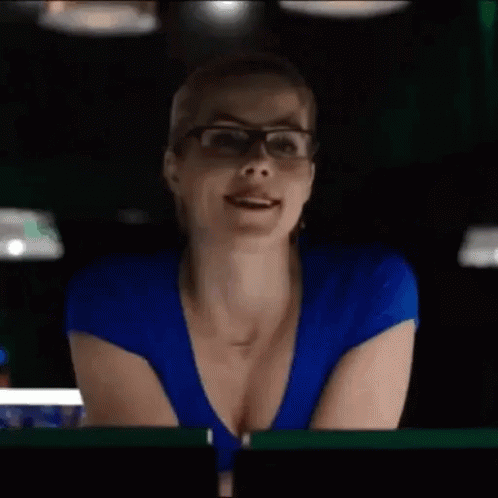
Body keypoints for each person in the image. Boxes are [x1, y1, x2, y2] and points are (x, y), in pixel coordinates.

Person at [65, 51, 419, 498]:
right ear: (174, 167)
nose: (259, 161)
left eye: (285, 143)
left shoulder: (371, 289)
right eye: (227, 138)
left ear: (309, 177)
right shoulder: (112, 299)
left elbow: (338, 488)